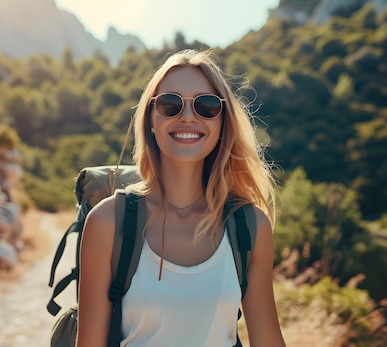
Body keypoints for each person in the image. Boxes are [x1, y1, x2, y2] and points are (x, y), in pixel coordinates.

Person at [76, 49, 286, 347]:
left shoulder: (249, 227)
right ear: (150, 118)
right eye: (170, 104)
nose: (188, 117)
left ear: (222, 122)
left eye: (207, 106)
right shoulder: (108, 221)